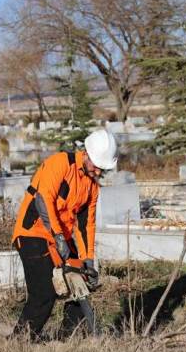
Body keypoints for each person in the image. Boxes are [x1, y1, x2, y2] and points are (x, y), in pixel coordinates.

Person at [11, 129, 118, 340]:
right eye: (96, 167)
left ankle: (66, 340)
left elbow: (87, 224)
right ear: (86, 154)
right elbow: (43, 199)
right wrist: (59, 237)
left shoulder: (92, 187)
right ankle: (20, 342)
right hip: (33, 232)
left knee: (80, 287)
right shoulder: (60, 163)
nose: (97, 173)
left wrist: (87, 259)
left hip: (62, 238)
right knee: (43, 294)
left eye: (102, 169)